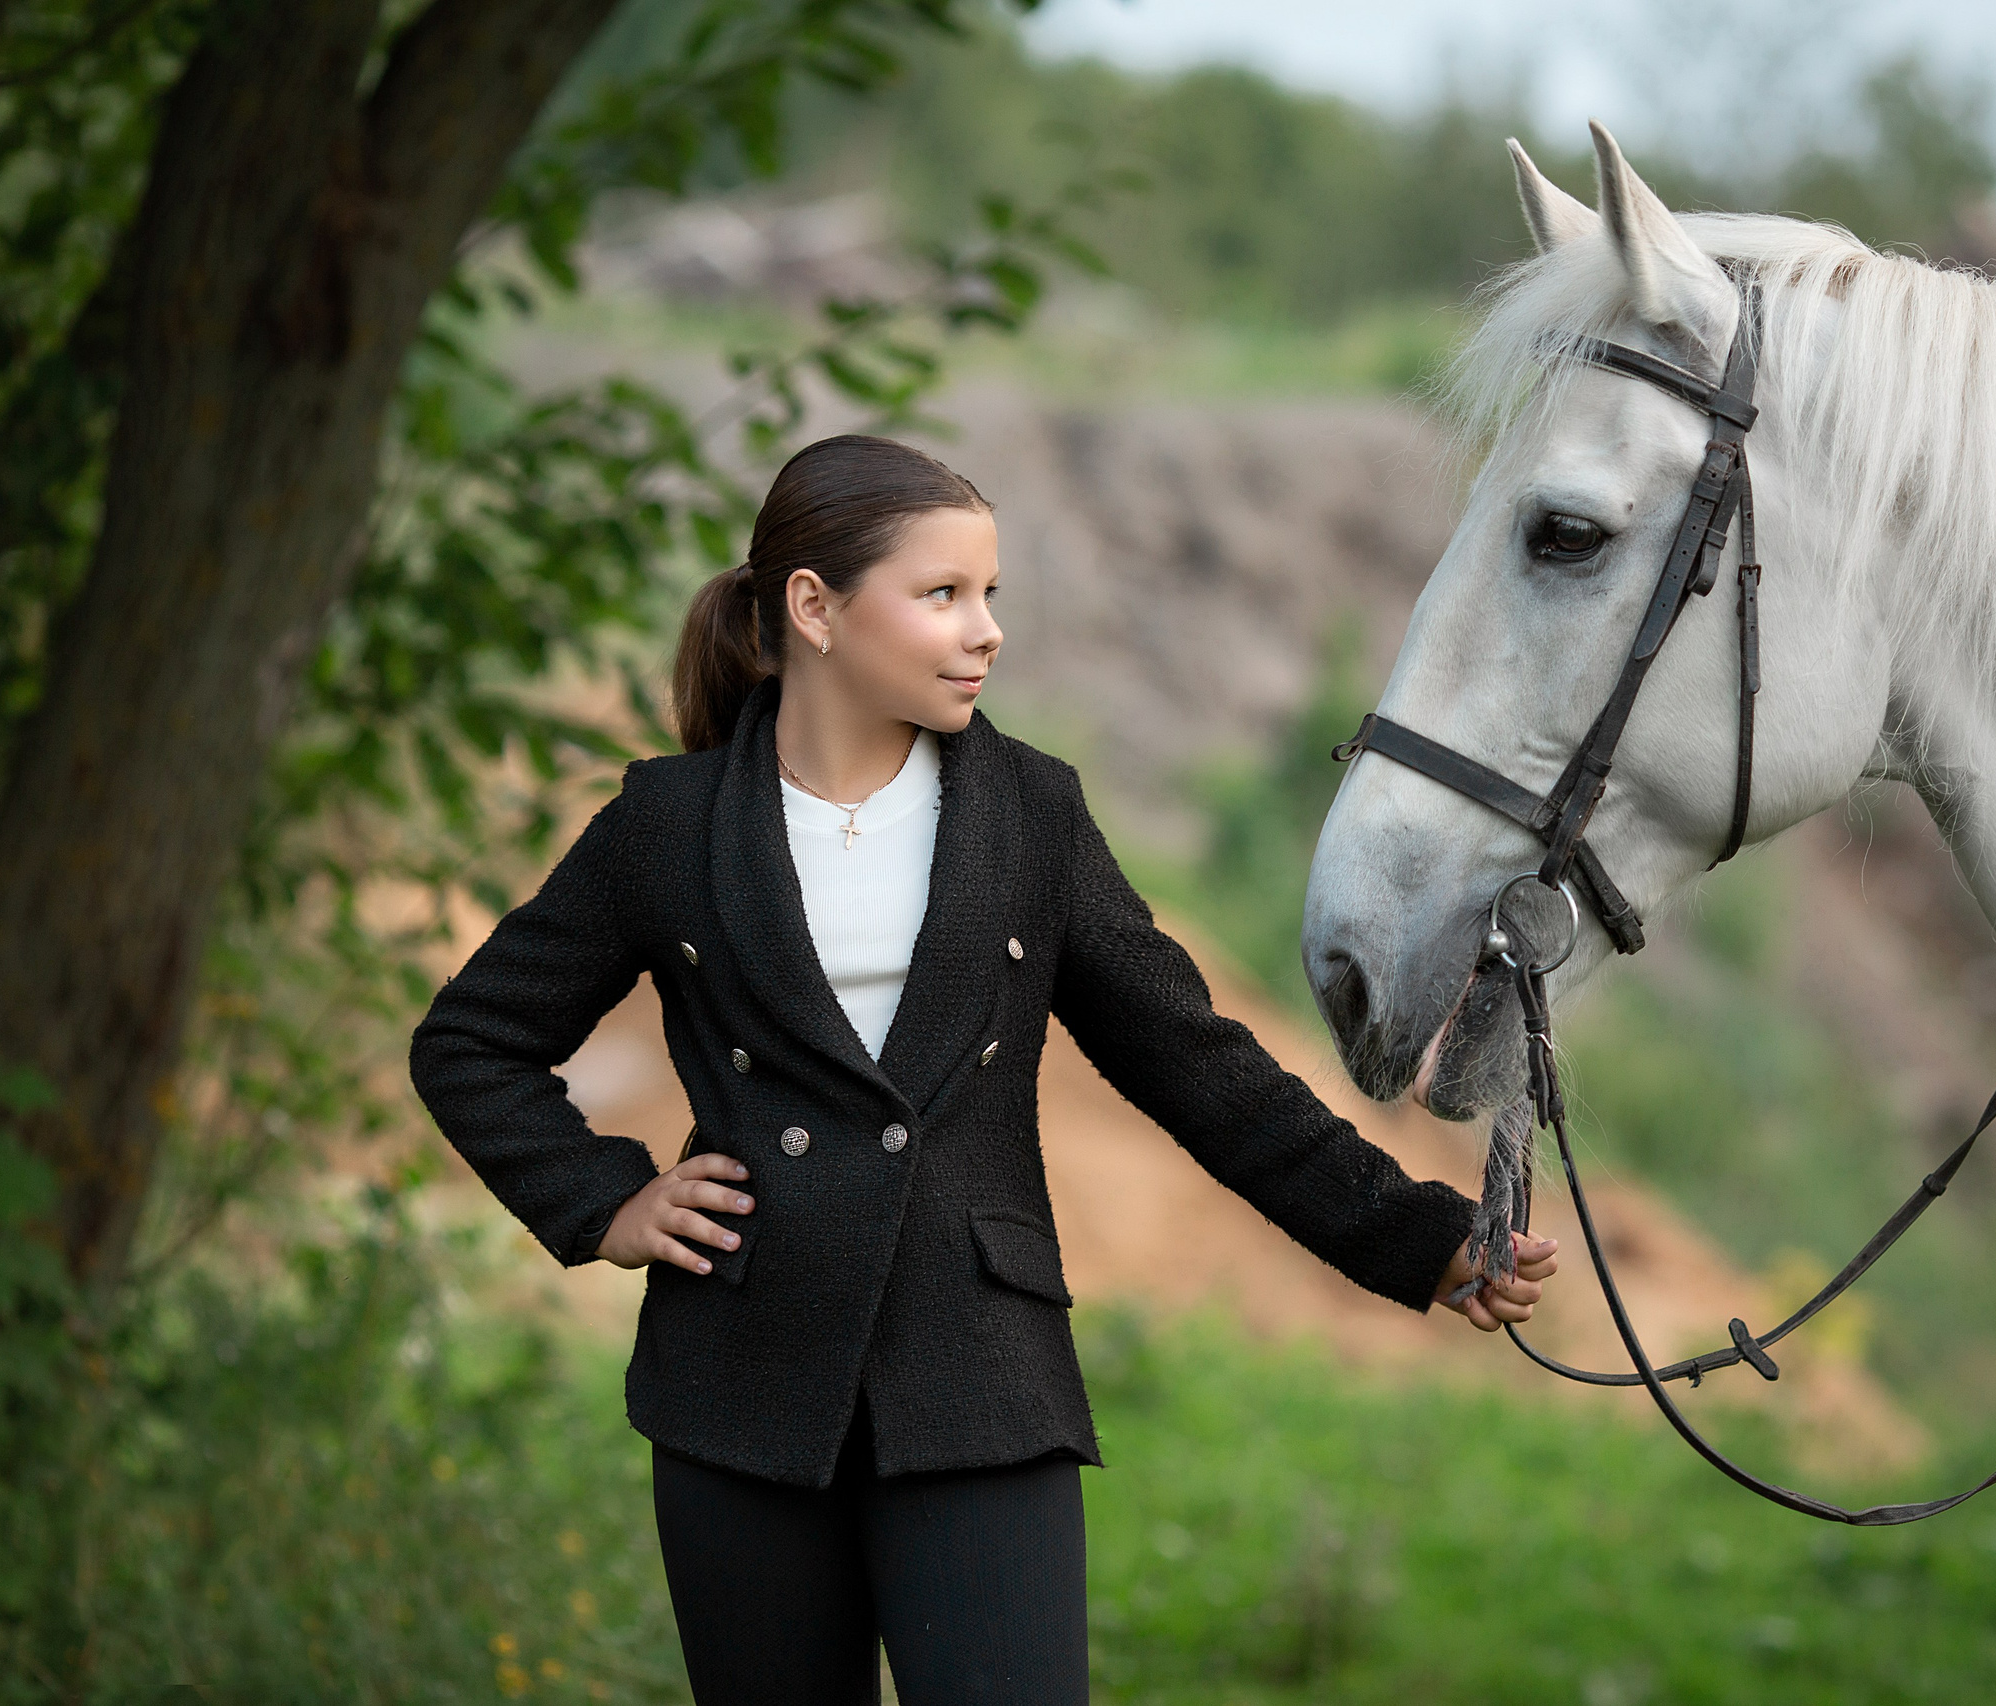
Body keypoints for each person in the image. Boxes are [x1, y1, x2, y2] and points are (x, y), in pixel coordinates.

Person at [408, 433, 1558, 1705]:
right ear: (815, 608)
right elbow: (471, 1041)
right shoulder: (667, 826)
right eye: (943, 593)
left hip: (981, 1381)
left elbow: (1200, 1067)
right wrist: (608, 1201)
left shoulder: (1030, 813)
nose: (987, 629)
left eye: (990, 592)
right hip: (738, 1385)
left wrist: (1420, 1235)